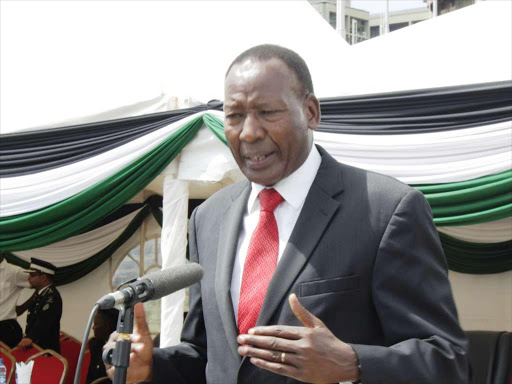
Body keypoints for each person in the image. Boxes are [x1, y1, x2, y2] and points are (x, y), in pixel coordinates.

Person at [106, 44, 470, 383]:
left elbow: (447, 359)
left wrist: (352, 362)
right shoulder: (208, 218)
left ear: (310, 112)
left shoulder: (386, 210)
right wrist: (152, 365)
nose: (248, 133)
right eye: (234, 115)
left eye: (268, 113)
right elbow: (209, 354)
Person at [17, 258, 62, 353]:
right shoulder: (40, 294)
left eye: (32, 275)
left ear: (43, 277)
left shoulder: (52, 296)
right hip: (36, 348)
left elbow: (44, 320)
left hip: (45, 350)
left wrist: (30, 337)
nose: (29, 278)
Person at [0, 252, 33, 348]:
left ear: (3, 253)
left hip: (6, 327)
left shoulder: (14, 271)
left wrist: (23, 307)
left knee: (8, 362)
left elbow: (38, 283)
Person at [87, 308, 118, 384]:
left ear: (106, 326)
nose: (93, 328)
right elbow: (91, 376)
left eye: (96, 324)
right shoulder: (95, 345)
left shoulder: (122, 348)